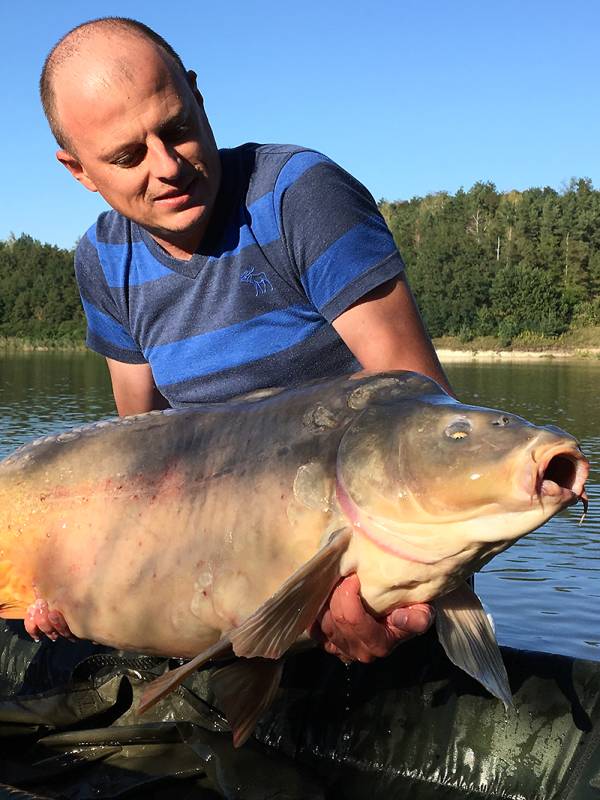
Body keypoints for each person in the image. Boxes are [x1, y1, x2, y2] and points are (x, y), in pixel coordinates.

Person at [36, 16, 453, 663]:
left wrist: (370, 591)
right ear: (79, 170)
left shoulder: (298, 197)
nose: (168, 166)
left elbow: (425, 421)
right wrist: (65, 575)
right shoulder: (102, 258)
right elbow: (142, 467)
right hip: (223, 577)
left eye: (176, 128)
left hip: (354, 555)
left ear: (199, 96)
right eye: (127, 156)